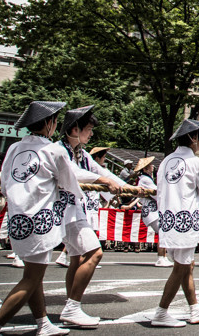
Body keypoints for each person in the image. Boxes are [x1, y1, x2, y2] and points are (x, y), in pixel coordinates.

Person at [0, 101, 83, 336]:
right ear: (48, 123)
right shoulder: (52, 149)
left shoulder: (14, 148)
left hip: (18, 218)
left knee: (33, 274)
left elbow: (5, 183)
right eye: (55, 120)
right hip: (40, 220)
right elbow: (69, 183)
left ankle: (43, 323)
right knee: (31, 278)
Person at [55, 106, 125, 327]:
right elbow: (72, 174)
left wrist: (128, 188)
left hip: (74, 210)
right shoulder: (59, 150)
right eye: (88, 129)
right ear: (74, 129)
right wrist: (106, 182)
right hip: (66, 210)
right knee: (95, 254)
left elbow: (102, 172)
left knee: (76, 259)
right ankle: (72, 307)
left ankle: (71, 306)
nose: (92, 134)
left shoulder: (81, 154)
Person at [151, 119, 199, 327]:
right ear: (193, 138)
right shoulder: (197, 163)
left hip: (167, 218)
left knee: (186, 264)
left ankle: (194, 308)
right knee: (182, 266)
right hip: (185, 220)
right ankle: (161, 312)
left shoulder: (165, 161)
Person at [133, 156, 170, 266]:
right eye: (150, 165)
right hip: (151, 210)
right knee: (163, 232)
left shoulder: (145, 179)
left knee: (163, 232)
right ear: (145, 169)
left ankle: (163, 256)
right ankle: (161, 257)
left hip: (153, 210)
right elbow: (156, 193)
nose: (152, 167)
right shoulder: (145, 179)